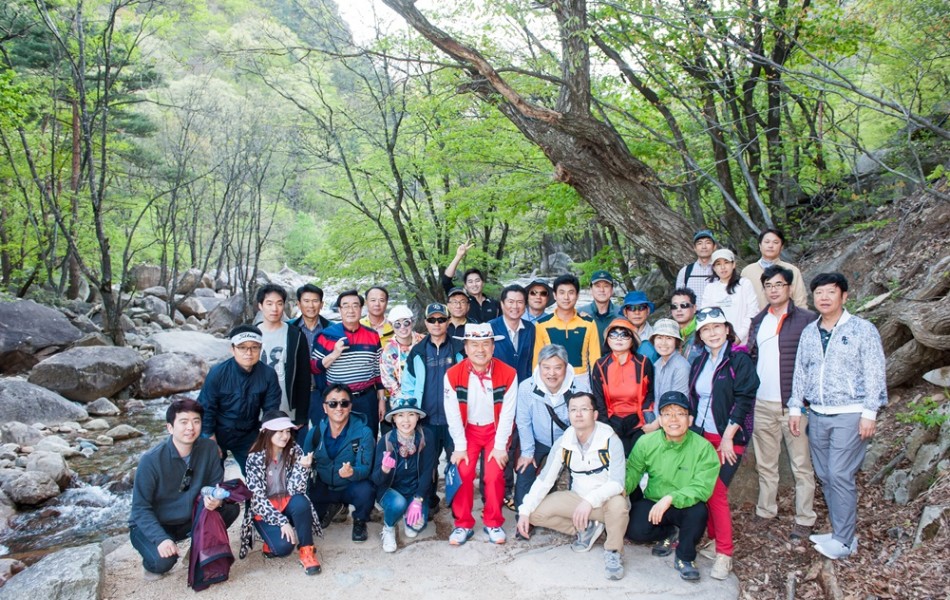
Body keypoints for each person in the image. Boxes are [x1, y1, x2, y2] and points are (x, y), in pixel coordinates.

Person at [788, 273, 887, 560]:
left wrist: (870, 412)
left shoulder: (862, 329)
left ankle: (844, 540)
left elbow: (875, 371)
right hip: (818, 413)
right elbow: (801, 370)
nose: (824, 297)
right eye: (819, 292)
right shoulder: (810, 332)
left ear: (844, 296)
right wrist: (795, 406)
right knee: (825, 474)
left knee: (840, 473)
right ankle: (841, 532)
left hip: (851, 413)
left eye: (831, 292)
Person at [517, 392, 629, 581]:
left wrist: (589, 501)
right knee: (535, 513)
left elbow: (617, 483)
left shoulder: (611, 440)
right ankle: (585, 529)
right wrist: (524, 511)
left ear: (594, 414)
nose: (578, 414)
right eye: (573, 410)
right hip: (577, 498)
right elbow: (545, 480)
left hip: (605, 501)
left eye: (584, 409)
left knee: (619, 505)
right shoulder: (564, 442)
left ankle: (613, 552)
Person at [129, 399, 240, 579]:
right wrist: (161, 538)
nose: (190, 427)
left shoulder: (209, 448)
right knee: (163, 562)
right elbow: (140, 508)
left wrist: (217, 500)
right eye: (183, 422)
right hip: (158, 522)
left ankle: (198, 547)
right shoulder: (151, 460)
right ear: (170, 428)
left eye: (196, 421)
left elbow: (215, 484)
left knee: (229, 509)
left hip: (188, 518)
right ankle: (152, 561)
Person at [748, 265, 818, 541]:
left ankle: (805, 517)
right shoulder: (758, 320)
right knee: (766, 464)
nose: (773, 290)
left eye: (779, 284)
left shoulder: (807, 320)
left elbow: (814, 363)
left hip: (794, 405)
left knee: (801, 464)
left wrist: (803, 401)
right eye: (769, 285)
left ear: (789, 288)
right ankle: (766, 510)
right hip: (762, 403)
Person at [687, 307, 758, 580]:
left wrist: (728, 436)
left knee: (715, 491)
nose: (712, 333)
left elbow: (744, 399)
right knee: (706, 491)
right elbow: (695, 399)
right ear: (700, 335)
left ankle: (724, 554)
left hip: (729, 436)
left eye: (717, 327)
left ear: (727, 329)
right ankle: (715, 539)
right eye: (706, 329)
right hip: (701, 435)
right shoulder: (699, 361)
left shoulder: (739, 359)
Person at [624, 391, 720, 582]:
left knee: (699, 512)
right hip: (654, 501)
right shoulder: (646, 442)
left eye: (680, 413)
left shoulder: (703, 448)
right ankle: (669, 532)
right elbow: (633, 471)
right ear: (660, 420)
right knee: (633, 529)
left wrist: (671, 498)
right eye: (667, 414)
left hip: (684, 504)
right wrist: (621, 490)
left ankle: (685, 557)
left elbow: (702, 487)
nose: (673, 419)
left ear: (690, 419)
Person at [444, 323, 518, 546]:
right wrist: (459, 446)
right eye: (474, 344)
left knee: (494, 475)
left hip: (495, 430)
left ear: (493, 347)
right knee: (463, 472)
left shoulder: (509, 373)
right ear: (466, 348)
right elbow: (452, 412)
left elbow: (508, 413)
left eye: (486, 344)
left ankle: (493, 521)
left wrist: (501, 445)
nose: (480, 349)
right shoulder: (452, 374)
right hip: (468, 431)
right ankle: (463, 524)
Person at [238, 411, 321, 575]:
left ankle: (307, 551)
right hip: (265, 510)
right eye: (280, 431)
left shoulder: (294, 450)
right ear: (266, 432)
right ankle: (271, 538)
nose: (285, 436)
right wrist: (282, 522)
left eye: (287, 431)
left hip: (287, 502)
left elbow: (296, 490)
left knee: (301, 502)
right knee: (283, 548)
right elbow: (257, 500)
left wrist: (303, 468)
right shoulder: (254, 458)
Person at [402, 303, 464, 512]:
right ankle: (429, 502)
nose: (436, 324)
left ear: (448, 321)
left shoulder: (459, 349)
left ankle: (456, 502)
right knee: (427, 464)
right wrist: (411, 415)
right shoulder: (417, 351)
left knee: (457, 462)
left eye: (441, 319)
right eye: (432, 320)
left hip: (454, 420)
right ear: (425, 323)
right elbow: (408, 386)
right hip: (426, 419)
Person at [198, 325, 281, 475]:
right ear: (232, 349)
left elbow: (271, 410)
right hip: (217, 430)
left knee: (258, 473)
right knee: (211, 475)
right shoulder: (217, 373)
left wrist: (263, 439)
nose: (249, 353)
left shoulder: (268, 374)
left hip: (248, 433)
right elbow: (206, 408)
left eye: (254, 347)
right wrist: (210, 438)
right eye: (242, 347)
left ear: (260, 348)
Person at [302, 385, 376, 543]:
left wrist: (352, 472)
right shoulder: (315, 433)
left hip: (350, 486)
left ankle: (360, 520)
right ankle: (333, 506)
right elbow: (304, 462)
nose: (339, 408)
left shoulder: (364, 433)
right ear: (324, 408)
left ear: (350, 406)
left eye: (344, 403)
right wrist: (305, 466)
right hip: (324, 486)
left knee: (366, 490)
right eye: (333, 403)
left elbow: (365, 469)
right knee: (307, 509)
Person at [311, 290, 386, 440]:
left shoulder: (372, 335)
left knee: (368, 439)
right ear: (339, 310)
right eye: (345, 306)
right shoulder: (326, 336)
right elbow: (314, 367)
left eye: (355, 305)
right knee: (339, 440)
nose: (350, 310)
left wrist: (382, 400)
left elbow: (378, 371)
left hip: (366, 398)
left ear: (361, 309)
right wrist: (334, 354)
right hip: (338, 400)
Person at [514, 344, 578, 508]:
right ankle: (523, 514)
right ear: (539, 366)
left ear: (566, 367)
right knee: (525, 470)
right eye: (546, 367)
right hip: (539, 440)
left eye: (558, 367)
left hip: (568, 441)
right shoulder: (527, 387)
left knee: (579, 477)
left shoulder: (579, 388)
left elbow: (582, 424)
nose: (552, 373)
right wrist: (527, 452)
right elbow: (523, 421)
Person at [371, 396, 437, 553]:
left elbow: (428, 471)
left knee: (415, 527)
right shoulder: (386, 441)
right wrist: (384, 470)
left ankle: (410, 512)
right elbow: (375, 479)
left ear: (418, 417)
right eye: (400, 415)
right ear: (394, 418)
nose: (406, 420)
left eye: (411, 414)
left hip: (415, 490)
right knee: (398, 504)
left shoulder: (426, 436)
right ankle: (388, 528)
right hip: (391, 491)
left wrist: (418, 499)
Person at [591, 318, 657, 457]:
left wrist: (647, 419)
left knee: (638, 458)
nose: (619, 338)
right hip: (611, 420)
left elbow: (650, 393)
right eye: (613, 334)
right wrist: (606, 426)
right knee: (615, 458)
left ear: (632, 340)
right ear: (607, 340)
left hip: (638, 421)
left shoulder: (643, 363)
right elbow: (598, 398)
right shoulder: (600, 365)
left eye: (625, 334)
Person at [256, 284, 311, 432]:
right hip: (256, 410)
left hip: (288, 409)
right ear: (260, 306)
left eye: (279, 303)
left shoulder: (295, 335)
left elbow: (304, 376)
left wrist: (301, 415)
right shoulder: (253, 334)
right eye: (269, 303)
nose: (274, 309)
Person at [533, 274, 601, 391]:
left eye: (571, 292)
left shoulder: (588, 323)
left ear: (577, 295)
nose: (566, 297)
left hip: (581, 381)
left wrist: (597, 390)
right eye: (562, 292)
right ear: (555, 295)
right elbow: (537, 361)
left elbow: (595, 360)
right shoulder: (542, 324)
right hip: (552, 381)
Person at [289, 284, 331, 427]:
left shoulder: (331, 329)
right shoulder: (289, 328)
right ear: (298, 304)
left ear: (322, 304)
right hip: (297, 392)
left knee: (324, 432)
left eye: (315, 301)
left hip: (323, 391)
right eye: (306, 301)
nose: (311, 305)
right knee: (297, 434)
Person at [701, 249, 759, 345]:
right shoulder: (710, 288)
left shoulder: (744, 284)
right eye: (718, 264)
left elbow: (753, 312)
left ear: (733, 264)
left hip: (743, 342)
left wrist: (739, 337)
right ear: (714, 268)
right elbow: (706, 315)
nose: (723, 267)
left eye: (726, 262)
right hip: (718, 343)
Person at [740, 228, 809, 310]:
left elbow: (800, 301)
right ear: (760, 245)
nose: (770, 246)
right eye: (767, 242)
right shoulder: (747, 272)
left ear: (781, 247)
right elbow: (741, 302)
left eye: (775, 242)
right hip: (756, 317)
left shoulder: (792, 270)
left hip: (786, 317)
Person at [442, 241, 501, 323]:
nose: (474, 284)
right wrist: (458, 256)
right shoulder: (463, 303)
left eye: (477, 280)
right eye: (470, 281)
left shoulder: (495, 304)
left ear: (483, 283)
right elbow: (446, 281)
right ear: (465, 286)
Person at [489, 284, 536, 382]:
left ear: (525, 306)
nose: (515, 306)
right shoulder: (489, 327)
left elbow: (530, 361)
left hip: (523, 385)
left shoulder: (530, 328)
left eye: (520, 302)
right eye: (510, 302)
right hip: (497, 386)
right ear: (502, 304)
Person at [380, 304, 425, 399]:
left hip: (427, 394)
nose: (402, 327)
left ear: (412, 322)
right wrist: (403, 397)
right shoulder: (388, 350)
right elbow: (387, 378)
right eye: (397, 324)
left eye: (406, 322)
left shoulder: (424, 342)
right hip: (401, 399)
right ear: (391, 325)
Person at [650, 318, 690, 400]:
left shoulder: (681, 367)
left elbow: (678, 402)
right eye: (659, 337)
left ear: (676, 342)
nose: (663, 343)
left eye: (669, 338)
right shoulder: (657, 364)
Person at [675, 229, 718, 302]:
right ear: (694, 248)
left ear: (714, 247)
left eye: (708, 243)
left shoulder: (721, 270)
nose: (704, 246)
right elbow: (679, 300)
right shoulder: (685, 271)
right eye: (699, 243)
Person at [619, 291, 659, 361]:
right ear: (625, 312)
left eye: (641, 307)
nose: (637, 312)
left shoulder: (658, 335)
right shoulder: (616, 337)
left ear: (648, 310)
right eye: (631, 308)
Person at [581, 271, 620, 338]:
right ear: (591, 290)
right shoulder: (579, 314)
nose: (602, 290)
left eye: (606, 286)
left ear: (612, 290)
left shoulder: (622, 314)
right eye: (597, 286)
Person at [670, 288, 702, 362]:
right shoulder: (670, 333)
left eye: (684, 305)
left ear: (694, 308)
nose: (679, 309)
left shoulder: (703, 331)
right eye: (674, 306)